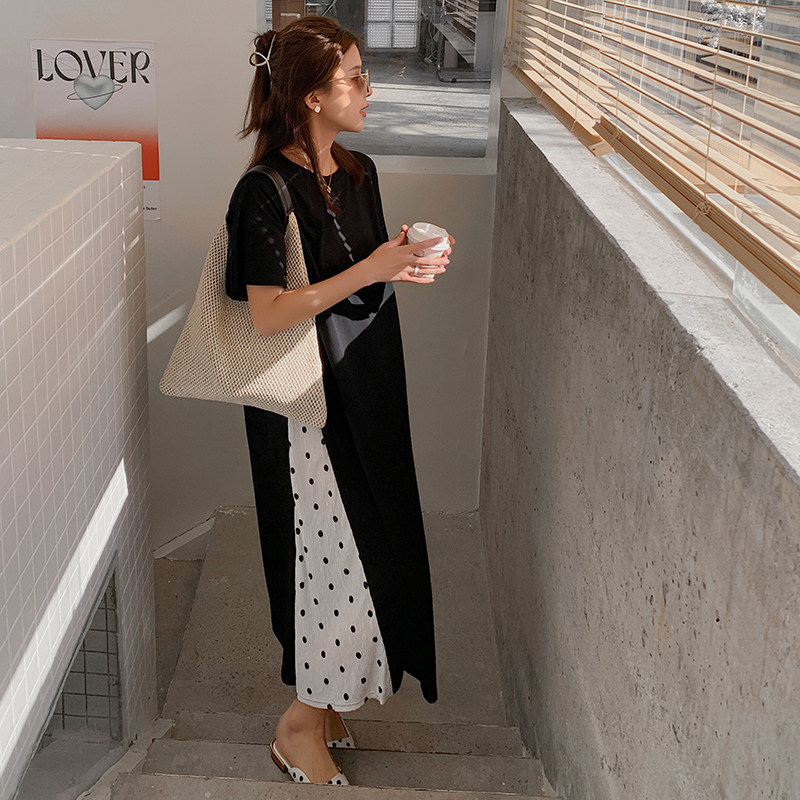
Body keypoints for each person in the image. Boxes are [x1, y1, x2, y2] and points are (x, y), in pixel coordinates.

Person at [224, 16, 453, 785]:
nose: (368, 89)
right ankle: (299, 723)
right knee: (334, 569)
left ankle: (324, 705)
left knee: (375, 553)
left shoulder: (357, 172)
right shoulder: (262, 193)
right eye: (354, 77)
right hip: (305, 410)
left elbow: (359, 281)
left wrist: (407, 262)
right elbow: (268, 314)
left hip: (365, 390)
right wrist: (373, 269)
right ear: (312, 97)